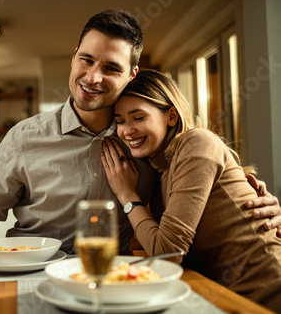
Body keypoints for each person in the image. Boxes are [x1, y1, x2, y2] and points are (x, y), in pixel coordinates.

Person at [0, 9, 281, 281]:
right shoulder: (24, 138)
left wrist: (258, 199)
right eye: (87, 59)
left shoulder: (148, 147)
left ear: (132, 74)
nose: (93, 77)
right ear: (74, 58)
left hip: (106, 277)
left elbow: (203, 188)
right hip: (22, 275)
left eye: (111, 67)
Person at [101, 69, 281, 309]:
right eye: (120, 121)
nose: (127, 130)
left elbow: (167, 253)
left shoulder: (196, 143)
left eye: (139, 117)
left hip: (267, 291)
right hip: (221, 296)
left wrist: (127, 195)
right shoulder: (160, 176)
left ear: (172, 116)